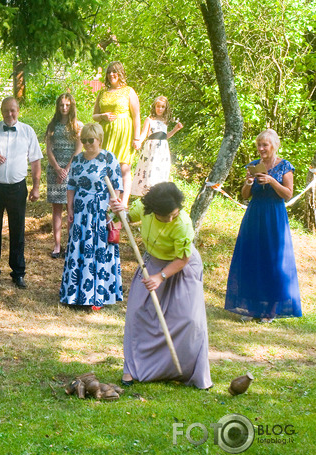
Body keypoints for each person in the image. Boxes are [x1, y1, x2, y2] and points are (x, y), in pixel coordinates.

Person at [110, 182, 212, 389]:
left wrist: (160, 277)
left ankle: (188, 371)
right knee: (137, 313)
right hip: (152, 262)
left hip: (181, 267)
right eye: (167, 215)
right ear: (154, 210)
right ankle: (132, 368)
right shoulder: (146, 209)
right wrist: (119, 210)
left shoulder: (182, 223)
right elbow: (125, 218)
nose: (171, 218)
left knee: (189, 320)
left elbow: (182, 260)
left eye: (175, 213)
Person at [224, 129, 301, 323]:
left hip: (274, 216)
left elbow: (288, 194)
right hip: (254, 215)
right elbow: (244, 195)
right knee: (253, 257)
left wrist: (272, 181)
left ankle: (271, 309)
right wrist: (249, 183)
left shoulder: (285, 166)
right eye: (259, 145)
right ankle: (252, 307)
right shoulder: (253, 165)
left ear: (273, 145)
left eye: (264, 145)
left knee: (273, 259)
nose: (261, 148)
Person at [0, 97, 42, 289]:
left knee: (18, 231)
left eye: (12, 110)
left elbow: (36, 161)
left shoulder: (27, 131)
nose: (9, 114)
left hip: (17, 188)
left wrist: (36, 187)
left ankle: (18, 273)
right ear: (1, 111)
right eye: (6, 111)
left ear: (18, 110)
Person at [59, 123, 122, 309]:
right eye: (83, 140)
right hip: (80, 212)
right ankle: (76, 295)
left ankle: (97, 295)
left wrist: (111, 212)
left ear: (100, 139)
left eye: (90, 140)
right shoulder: (77, 160)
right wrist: (69, 209)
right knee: (79, 249)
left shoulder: (109, 158)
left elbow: (116, 187)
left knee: (98, 250)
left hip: (100, 211)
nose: (86, 143)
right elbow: (71, 186)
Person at [92, 61, 140, 207]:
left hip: (124, 134)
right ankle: (108, 201)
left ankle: (123, 204)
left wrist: (137, 138)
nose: (112, 74)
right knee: (106, 167)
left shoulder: (129, 91)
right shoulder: (102, 93)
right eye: (109, 72)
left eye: (115, 71)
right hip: (105, 134)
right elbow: (94, 116)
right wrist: (103, 116)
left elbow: (136, 115)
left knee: (124, 167)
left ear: (120, 73)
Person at [45, 93, 83, 258]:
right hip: (54, 171)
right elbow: (48, 150)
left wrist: (66, 169)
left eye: (67, 105)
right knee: (56, 209)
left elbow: (78, 150)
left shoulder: (78, 126)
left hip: (71, 170)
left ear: (72, 106)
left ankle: (70, 245)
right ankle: (57, 245)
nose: (64, 108)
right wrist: (57, 168)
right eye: (62, 105)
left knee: (71, 209)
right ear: (58, 106)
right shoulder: (52, 125)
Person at [131, 96, 183, 197]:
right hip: (151, 149)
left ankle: (158, 194)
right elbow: (144, 134)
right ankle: (146, 194)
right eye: (158, 106)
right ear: (154, 107)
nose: (160, 109)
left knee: (160, 170)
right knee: (150, 169)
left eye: (163, 107)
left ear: (166, 108)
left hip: (162, 149)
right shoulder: (149, 120)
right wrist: (138, 141)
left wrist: (176, 129)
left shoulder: (165, 121)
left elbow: (165, 136)